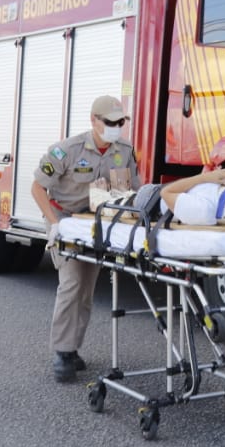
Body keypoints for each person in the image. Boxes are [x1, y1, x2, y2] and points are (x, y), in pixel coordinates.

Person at [32, 95, 137, 383]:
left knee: (88, 288)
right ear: (93, 120)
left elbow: (131, 190)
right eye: (110, 122)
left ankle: (73, 345)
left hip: (96, 223)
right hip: (64, 219)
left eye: (120, 122)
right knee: (72, 282)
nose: (116, 127)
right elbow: (38, 188)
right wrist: (54, 226)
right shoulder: (67, 150)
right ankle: (63, 352)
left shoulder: (125, 150)